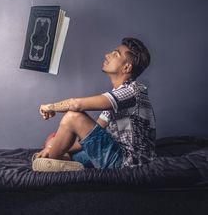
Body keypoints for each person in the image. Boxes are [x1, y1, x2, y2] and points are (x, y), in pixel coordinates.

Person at [36, 37, 156, 169]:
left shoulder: (133, 90)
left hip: (127, 161)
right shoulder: (116, 97)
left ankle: (48, 162)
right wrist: (53, 146)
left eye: (115, 54)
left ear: (126, 67)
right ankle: (61, 161)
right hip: (113, 153)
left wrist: (50, 107)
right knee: (53, 140)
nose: (107, 55)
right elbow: (90, 134)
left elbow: (76, 105)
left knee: (73, 117)